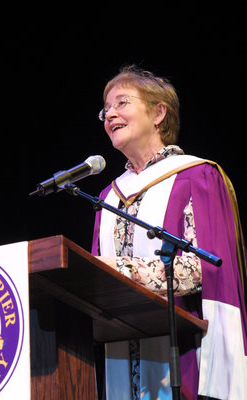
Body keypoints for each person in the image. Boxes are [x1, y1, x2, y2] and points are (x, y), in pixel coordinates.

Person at [92, 65, 247, 400]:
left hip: (185, 352)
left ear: (159, 112)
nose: (110, 114)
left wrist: (124, 272)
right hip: (121, 350)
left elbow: (204, 266)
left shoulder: (196, 176)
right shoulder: (108, 197)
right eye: (106, 109)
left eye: (122, 103)